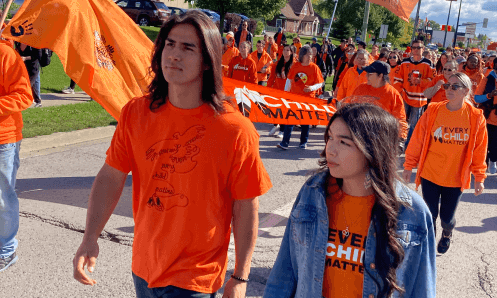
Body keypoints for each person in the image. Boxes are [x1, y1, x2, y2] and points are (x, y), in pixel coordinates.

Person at [72, 11, 272, 297]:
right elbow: (111, 176)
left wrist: (240, 276)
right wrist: (89, 237)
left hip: (195, 278)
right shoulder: (136, 112)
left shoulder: (235, 129)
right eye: (169, 44)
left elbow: (245, 206)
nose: (174, 55)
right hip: (143, 268)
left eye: (188, 47)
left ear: (207, 61)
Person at [264, 103, 436, 298]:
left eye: (344, 142)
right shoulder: (313, 192)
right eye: (330, 137)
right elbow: (284, 271)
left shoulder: (412, 211)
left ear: (373, 149)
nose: (330, 149)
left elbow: (423, 288)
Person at [403, 72, 487, 254]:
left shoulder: (475, 117)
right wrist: (409, 164)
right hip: (430, 173)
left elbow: (480, 149)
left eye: (454, 87)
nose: (449, 89)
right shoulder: (433, 110)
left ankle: (447, 233)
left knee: (447, 218)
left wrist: (479, 177)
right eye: (447, 86)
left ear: (466, 91)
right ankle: (429, 248)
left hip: (455, 178)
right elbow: (417, 138)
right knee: (429, 215)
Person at [0, 36, 35, 273]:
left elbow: (25, 95)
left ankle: (6, 250)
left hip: (4, 139)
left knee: (2, 199)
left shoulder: (6, 54)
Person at [348, 61, 408, 145]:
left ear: (380, 76)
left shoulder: (393, 94)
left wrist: (400, 140)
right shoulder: (360, 89)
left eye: (370, 74)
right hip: (359, 136)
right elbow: (349, 108)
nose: (366, 76)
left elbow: (400, 119)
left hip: (380, 139)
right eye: (367, 73)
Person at [277, 45, 324, 150]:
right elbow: (289, 80)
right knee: (290, 121)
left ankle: (303, 142)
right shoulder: (295, 66)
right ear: (302, 55)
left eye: (311, 55)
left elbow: (320, 83)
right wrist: (285, 95)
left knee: (305, 122)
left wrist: (312, 87)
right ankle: (285, 142)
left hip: (308, 99)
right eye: (308, 55)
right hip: (294, 98)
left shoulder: (314, 67)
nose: (310, 57)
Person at [393, 39, 435, 150]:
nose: (416, 50)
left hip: (420, 99)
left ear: (423, 49)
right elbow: (397, 80)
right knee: (402, 121)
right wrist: (400, 93)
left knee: (414, 124)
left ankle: (409, 145)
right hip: (405, 97)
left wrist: (420, 82)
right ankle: (400, 143)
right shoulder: (404, 62)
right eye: (414, 47)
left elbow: (432, 81)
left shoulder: (428, 63)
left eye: (418, 47)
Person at [267, 44, 295, 139]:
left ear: (291, 52)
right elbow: (271, 78)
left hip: (287, 92)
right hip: (276, 90)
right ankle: (276, 125)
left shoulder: (294, 65)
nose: (285, 52)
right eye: (284, 50)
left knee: (284, 111)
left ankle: (282, 130)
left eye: (288, 50)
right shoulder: (277, 63)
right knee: (275, 109)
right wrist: (268, 88)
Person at [15, 42, 42, 108]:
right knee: (31, 84)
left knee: (27, 84)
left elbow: (38, 55)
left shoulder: (34, 43)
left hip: (33, 68)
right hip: (23, 67)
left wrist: (25, 58)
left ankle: (36, 101)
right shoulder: (18, 42)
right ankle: (36, 100)